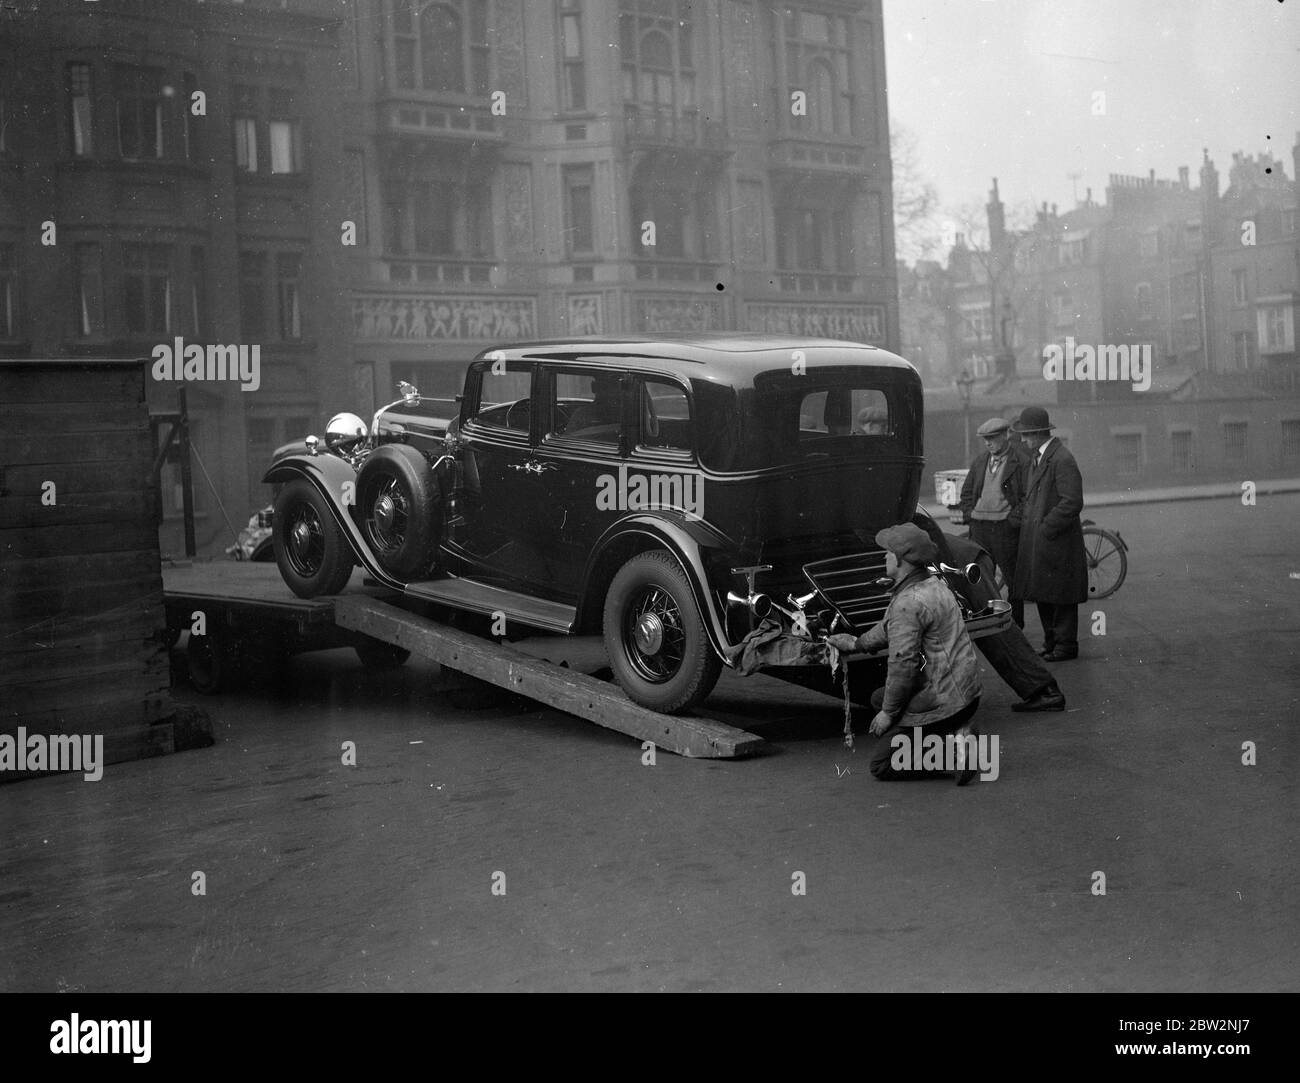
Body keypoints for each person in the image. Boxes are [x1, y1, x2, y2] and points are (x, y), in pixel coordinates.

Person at [827, 523, 982, 784]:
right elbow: (891, 627)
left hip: (946, 702)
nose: (883, 556)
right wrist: (857, 643)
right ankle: (954, 734)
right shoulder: (932, 584)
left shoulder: (908, 602)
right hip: (966, 693)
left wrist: (888, 714)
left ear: (901, 559)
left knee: (882, 765)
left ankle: (959, 753)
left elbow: (903, 664)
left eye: (887, 552)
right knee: (880, 697)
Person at [911, 511, 1066, 712]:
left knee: (995, 629)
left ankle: (1045, 692)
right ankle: (1042, 689)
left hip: (963, 563)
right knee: (992, 628)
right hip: (962, 559)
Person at [1011, 406, 1088, 661]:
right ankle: (1052, 643)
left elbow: (1072, 501)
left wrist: (1046, 528)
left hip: (1056, 541)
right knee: (1045, 593)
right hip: (1042, 542)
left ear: (1038, 433)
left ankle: (1065, 646)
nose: (1023, 440)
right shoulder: (1040, 457)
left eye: (1026, 434)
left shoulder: (1062, 458)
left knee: (1061, 596)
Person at [959, 416, 1030, 628]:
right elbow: (967, 493)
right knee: (981, 578)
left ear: (1006, 435)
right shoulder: (981, 461)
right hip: (980, 529)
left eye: (992, 438)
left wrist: (1012, 520)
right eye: (985, 439)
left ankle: (1016, 625)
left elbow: (1028, 496)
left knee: (1012, 579)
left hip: (1005, 530)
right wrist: (970, 513)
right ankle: (988, 622)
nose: (988, 443)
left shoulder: (1020, 460)